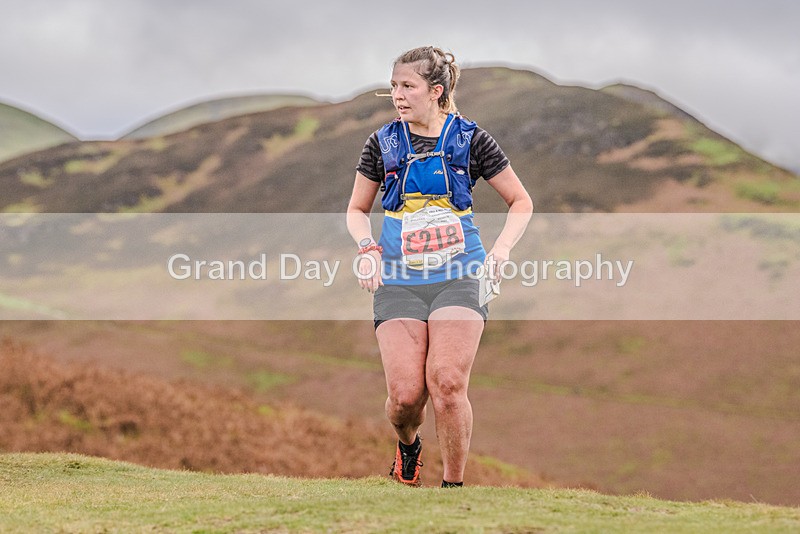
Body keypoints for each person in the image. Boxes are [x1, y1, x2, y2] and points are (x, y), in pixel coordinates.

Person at [346, 46, 532, 488]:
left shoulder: (471, 140)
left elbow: (521, 201)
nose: (397, 95)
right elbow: (356, 209)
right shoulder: (382, 143)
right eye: (393, 86)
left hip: (462, 275)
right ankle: (408, 446)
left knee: (447, 384)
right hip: (399, 280)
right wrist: (367, 247)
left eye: (407, 86)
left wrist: (501, 251)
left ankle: (453, 490)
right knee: (405, 398)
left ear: (436, 90)